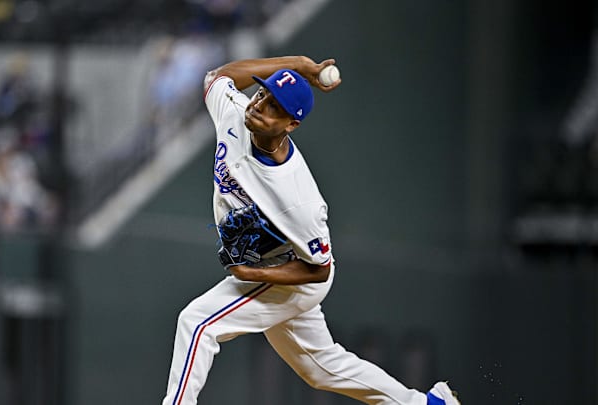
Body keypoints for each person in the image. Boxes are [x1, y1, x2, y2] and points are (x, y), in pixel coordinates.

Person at [160, 55, 461, 405]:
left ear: (291, 125)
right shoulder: (234, 113)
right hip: (269, 264)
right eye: (263, 94)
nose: (260, 105)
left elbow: (319, 269)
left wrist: (255, 272)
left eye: (275, 107)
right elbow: (219, 76)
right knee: (320, 369)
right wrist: (301, 66)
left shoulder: (299, 199)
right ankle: (427, 404)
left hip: (292, 273)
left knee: (197, 324)